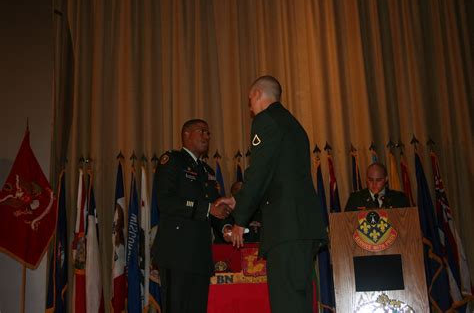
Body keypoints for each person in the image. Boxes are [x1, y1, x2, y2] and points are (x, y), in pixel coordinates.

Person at [216, 76, 327, 313]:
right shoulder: (292, 124)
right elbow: (278, 176)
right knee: (300, 300)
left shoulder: (265, 120)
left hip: (286, 229)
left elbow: (259, 172)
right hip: (301, 227)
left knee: (286, 302)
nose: (250, 108)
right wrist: (237, 200)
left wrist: (240, 220)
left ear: (257, 94)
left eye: (249, 101)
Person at [151, 119, 232, 313]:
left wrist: (226, 228)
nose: (207, 136)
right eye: (202, 131)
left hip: (200, 256)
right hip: (177, 253)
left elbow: (216, 208)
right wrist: (207, 209)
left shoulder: (207, 171)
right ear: (186, 134)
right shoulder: (172, 161)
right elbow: (166, 201)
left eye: (208, 133)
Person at [345, 162, 410, 211]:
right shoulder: (355, 199)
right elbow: (347, 222)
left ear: (386, 179)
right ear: (366, 179)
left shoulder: (399, 198)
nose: (374, 184)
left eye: (378, 180)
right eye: (370, 180)